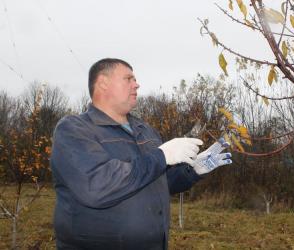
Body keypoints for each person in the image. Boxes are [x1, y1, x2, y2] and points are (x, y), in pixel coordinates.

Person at [50, 58, 232, 250]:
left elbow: (157, 182)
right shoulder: (74, 129)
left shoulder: (145, 130)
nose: (136, 84)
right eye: (128, 79)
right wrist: (161, 156)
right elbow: (96, 185)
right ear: (103, 83)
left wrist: (192, 171)